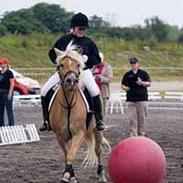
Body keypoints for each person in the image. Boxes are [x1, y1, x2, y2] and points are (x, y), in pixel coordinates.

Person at [39, 12, 105, 132]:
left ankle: (99, 120)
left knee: (95, 92)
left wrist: (87, 59)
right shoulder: (64, 40)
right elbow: (52, 53)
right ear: (73, 28)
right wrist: (60, 61)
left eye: (84, 29)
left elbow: (97, 58)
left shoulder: (89, 42)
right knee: (44, 91)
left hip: (83, 72)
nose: (82, 31)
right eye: (80, 28)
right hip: (64, 73)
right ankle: (46, 121)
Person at [121, 56, 151, 137]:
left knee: (142, 118)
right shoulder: (127, 74)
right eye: (132, 63)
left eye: (134, 63)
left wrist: (142, 83)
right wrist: (125, 88)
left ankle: (141, 134)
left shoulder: (143, 73)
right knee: (132, 119)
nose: (133, 64)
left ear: (138, 64)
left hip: (141, 98)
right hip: (131, 99)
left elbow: (149, 83)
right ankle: (133, 135)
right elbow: (123, 84)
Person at [0, 57, 15, 127]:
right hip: (0, 92)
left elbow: (12, 83)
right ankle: (1, 125)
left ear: (6, 64)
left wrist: (10, 93)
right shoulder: (0, 72)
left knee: (9, 110)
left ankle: (11, 125)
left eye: (2, 63)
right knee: (1, 110)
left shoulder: (9, 73)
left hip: (7, 92)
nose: (1, 64)